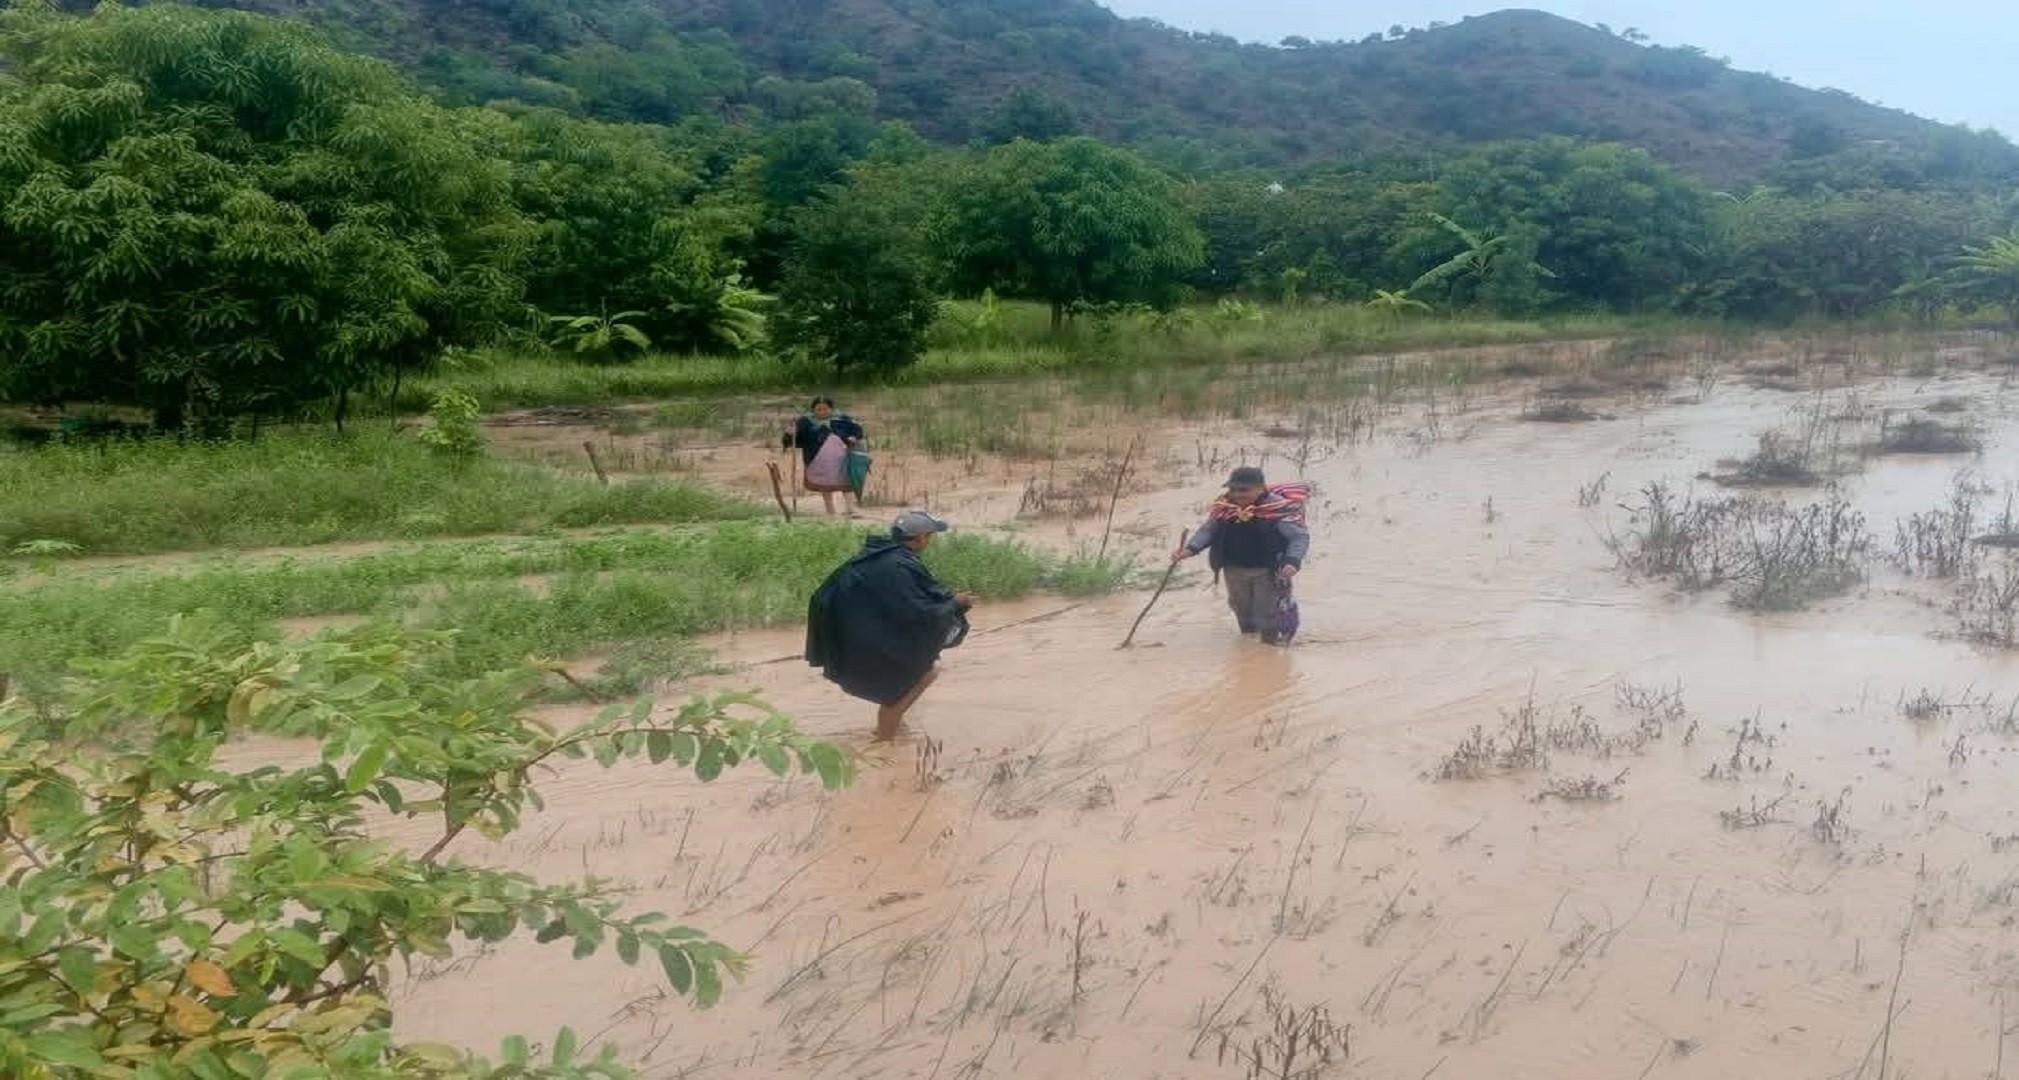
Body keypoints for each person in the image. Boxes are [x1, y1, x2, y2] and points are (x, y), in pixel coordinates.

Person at [805, 510, 976, 741]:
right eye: (930, 537)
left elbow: (900, 602)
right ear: (920, 538)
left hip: (854, 634)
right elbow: (920, 612)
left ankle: (894, 731)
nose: (929, 542)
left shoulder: (877, 555)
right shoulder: (897, 565)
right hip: (867, 638)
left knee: (907, 678)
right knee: (921, 675)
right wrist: (956, 603)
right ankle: (884, 745)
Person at [1171, 466, 1310, 645]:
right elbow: (1208, 531)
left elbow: (1298, 537)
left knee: (1266, 611)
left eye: (1244, 490)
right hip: (1233, 569)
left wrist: (1293, 561)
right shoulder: (1225, 508)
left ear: (1261, 488)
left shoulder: (1277, 509)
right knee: (1240, 608)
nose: (1237, 494)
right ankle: (1248, 645)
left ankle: (1270, 650)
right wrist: (1190, 549)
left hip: (1267, 570)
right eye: (1233, 489)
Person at [784, 396, 866, 516]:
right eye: (818, 409)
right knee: (824, 485)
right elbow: (793, 438)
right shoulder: (805, 421)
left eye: (825, 409)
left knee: (846, 483)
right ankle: (830, 510)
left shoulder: (842, 419)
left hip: (840, 459)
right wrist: (790, 434)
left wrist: (853, 438)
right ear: (813, 410)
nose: (822, 412)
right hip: (817, 459)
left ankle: (850, 508)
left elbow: (857, 430)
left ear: (831, 409)